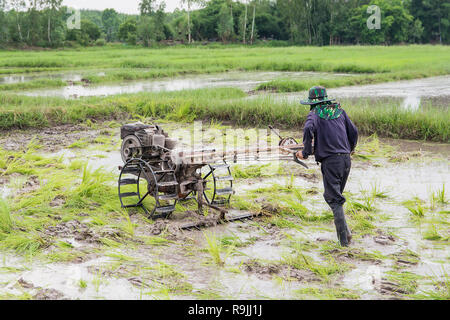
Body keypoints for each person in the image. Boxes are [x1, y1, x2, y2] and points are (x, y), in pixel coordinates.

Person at [296, 86, 358, 247]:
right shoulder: (339, 111)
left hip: (331, 162)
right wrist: (351, 148)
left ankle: (343, 244)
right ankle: (347, 234)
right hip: (346, 160)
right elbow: (354, 131)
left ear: (312, 103)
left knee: (334, 199)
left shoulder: (314, 115)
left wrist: (306, 152)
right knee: (336, 197)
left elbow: (309, 128)